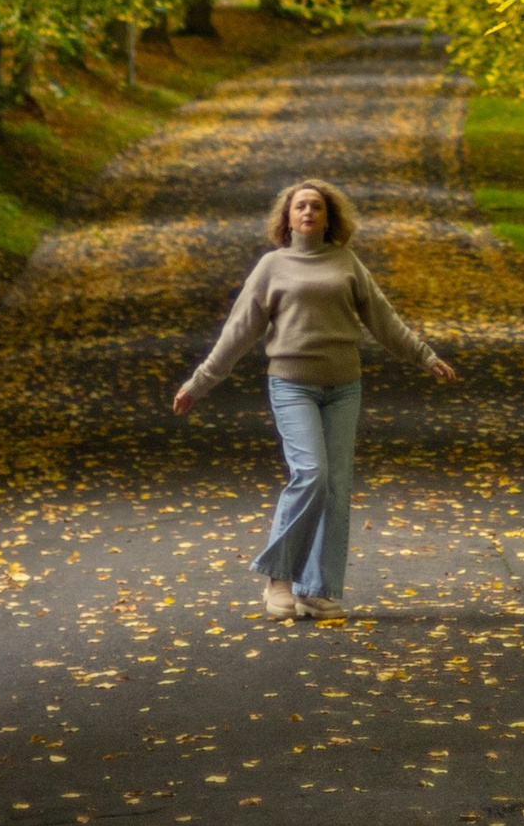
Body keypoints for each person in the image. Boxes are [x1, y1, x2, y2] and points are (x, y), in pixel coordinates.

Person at [171, 177, 459, 618]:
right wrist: (199, 382)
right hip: (292, 385)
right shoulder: (272, 266)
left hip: (344, 387)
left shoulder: (347, 262)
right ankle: (278, 580)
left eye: (317, 207)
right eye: (300, 206)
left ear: (329, 218)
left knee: (337, 486)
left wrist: (425, 356)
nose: (308, 212)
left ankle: (317, 590)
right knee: (312, 474)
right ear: (287, 218)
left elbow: (383, 318)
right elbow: (238, 332)